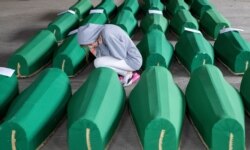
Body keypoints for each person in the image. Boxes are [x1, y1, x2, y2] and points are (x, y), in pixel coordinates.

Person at [76, 23, 142, 86]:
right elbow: (104, 56)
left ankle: (130, 74)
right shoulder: (100, 33)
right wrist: (95, 50)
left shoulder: (107, 34)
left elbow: (120, 56)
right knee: (99, 62)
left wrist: (99, 46)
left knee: (98, 62)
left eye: (90, 44)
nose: (90, 46)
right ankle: (128, 73)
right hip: (126, 60)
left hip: (133, 61)